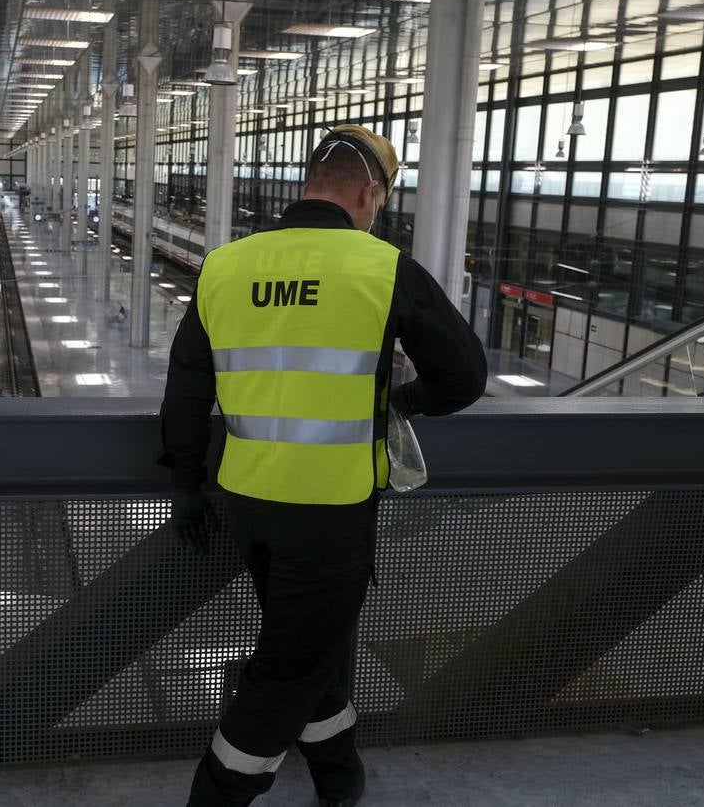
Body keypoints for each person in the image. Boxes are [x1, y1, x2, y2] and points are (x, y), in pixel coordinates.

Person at [159, 125, 487, 807]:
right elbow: (463, 377)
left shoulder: (225, 265)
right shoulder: (381, 267)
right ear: (368, 193)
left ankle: (340, 776)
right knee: (285, 670)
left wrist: (186, 487)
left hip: (246, 504)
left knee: (315, 650)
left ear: (309, 180)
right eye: (380, 204)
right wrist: (400, 399)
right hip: (331, 515)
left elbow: (187, 390)